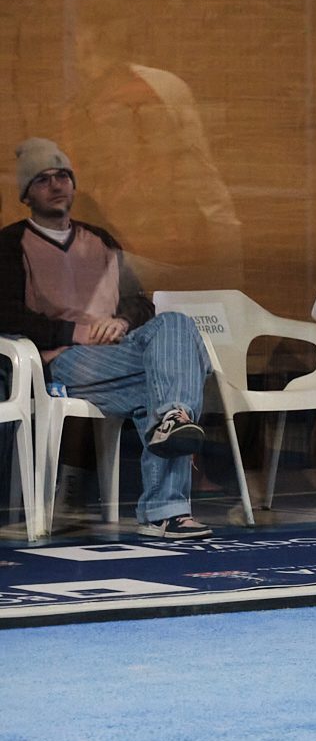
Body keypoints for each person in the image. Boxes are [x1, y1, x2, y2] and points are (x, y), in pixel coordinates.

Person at [0, 139, 214, 539]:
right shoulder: (10, 244)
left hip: (120, 349)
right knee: (171, 378)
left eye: (63, 176)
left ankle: (173, 418)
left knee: (177, 323)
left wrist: (121, 320)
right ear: (26, 194)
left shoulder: (99, 239)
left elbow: (140, 303)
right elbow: (6, 314)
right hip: (64, 359)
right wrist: (75, 331)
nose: (56, 185)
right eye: (43, 179)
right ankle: (165, 510)